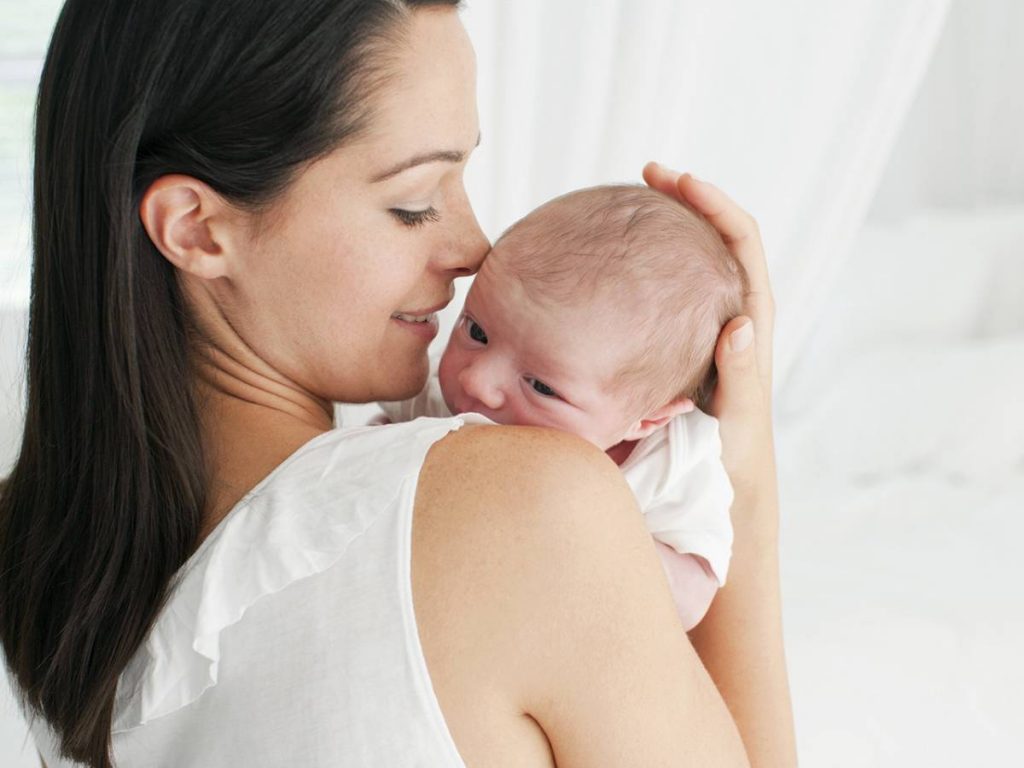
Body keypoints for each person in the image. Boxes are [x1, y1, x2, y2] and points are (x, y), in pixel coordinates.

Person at [0, 1, 796, 767]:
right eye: (414, 203)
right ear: (198, 229)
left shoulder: (35, 564)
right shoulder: (534, 504)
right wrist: (744, 482)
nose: (475, 245)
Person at [375, 184, 747, 631]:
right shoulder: (437, 397)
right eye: (476, 332)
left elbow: (692, 596)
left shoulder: (671, 464)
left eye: (540, 386)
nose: (477, 380)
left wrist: (594, 535)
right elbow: (368, 453)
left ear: (646, 419)